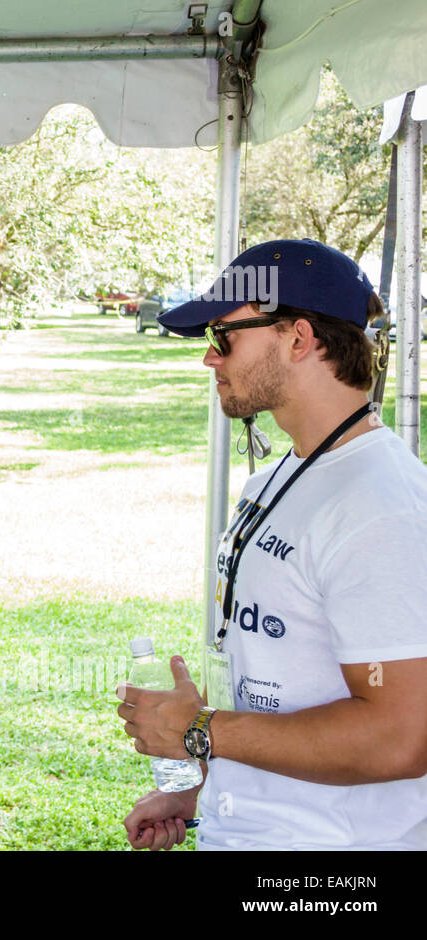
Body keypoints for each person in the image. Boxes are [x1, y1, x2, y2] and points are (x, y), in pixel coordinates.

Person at [117, 238, 427, 850]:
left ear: (299, 338)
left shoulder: (382, 508)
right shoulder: (278, 477)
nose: (210, 359)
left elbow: (402, 736)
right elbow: (288, 686)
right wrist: (203, 789)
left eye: (223, 336)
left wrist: (201, 731)